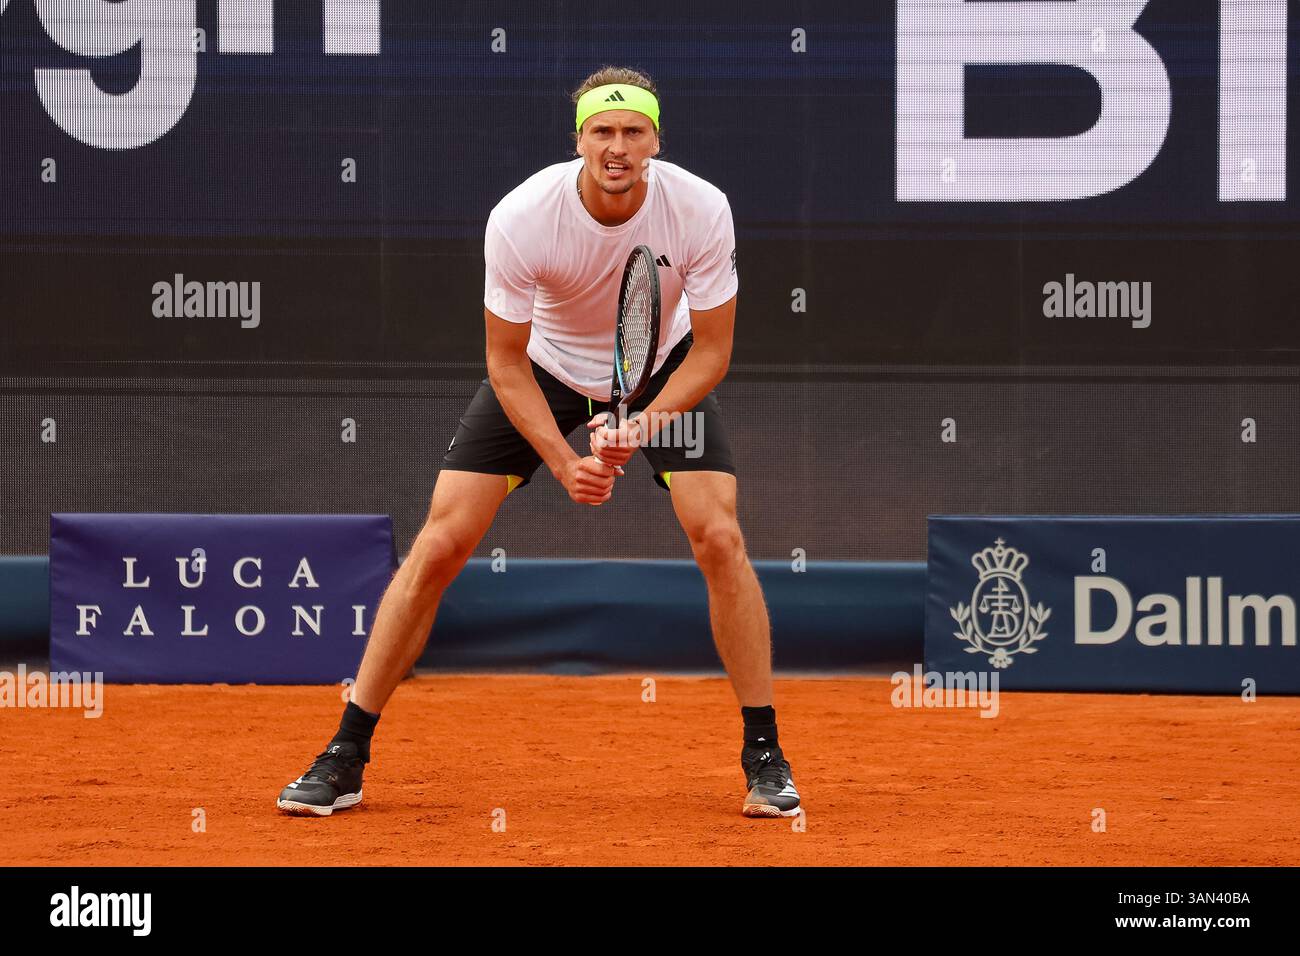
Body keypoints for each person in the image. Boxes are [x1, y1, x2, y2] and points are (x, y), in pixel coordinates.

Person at [277, 66, 800, 820]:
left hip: (663, 372)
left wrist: (644, 423)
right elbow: (504, 361)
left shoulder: (701, 208)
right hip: (544, 372)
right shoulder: (523, 216)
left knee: (719, 536)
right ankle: (347, 751)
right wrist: (564, 459)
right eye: (602, 131)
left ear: (655, 139)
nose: (617, 147)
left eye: (632, 132)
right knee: (442, 543)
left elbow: (713, 352)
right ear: (579, 139)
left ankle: (764, 753)